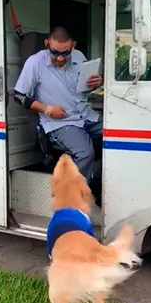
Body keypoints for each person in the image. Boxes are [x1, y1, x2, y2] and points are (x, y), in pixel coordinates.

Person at [13, 27, 104, 199]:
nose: (60, 58)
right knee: (85, 153)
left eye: (65, 52)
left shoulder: (78, 57)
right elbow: (19, 96)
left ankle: (96, 183)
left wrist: (97, 82)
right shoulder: (35, 63)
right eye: (54, 52)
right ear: (47, 44)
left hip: (86, 115)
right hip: (61, 122)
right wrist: (47, 109)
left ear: (73, 46)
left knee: (117, 137)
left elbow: (86, 87)